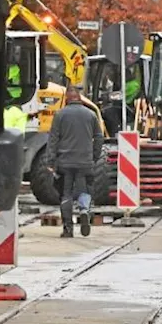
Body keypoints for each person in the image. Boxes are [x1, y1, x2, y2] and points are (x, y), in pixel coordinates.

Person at [46, 86, 103, 237]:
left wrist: (50, 161)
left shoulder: (60, 115)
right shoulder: (91, 115)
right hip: (85, 162)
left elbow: (53, 139)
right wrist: (94, 156)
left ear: (66, 99)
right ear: (80, 98)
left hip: (65, 163)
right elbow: (99, 137)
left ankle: (68, 229)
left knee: (66, 194)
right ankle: (84, 210)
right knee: (84, 190)